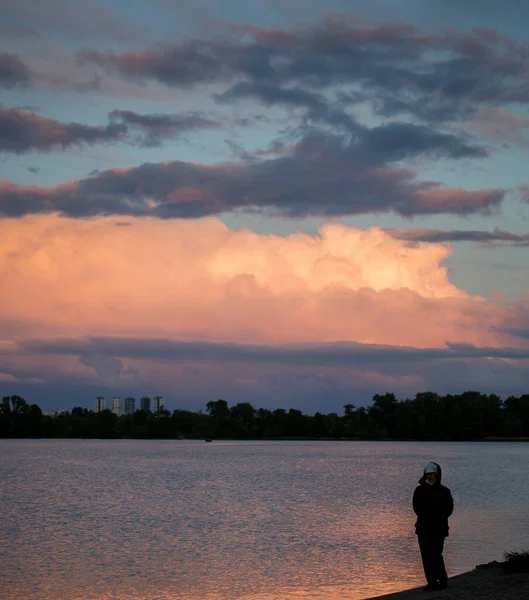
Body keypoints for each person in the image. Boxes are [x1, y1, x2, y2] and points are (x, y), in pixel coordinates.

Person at [412, 462, 454, 591]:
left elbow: (449, 509)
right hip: (423, 528)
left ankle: (442, 580)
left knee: (436, 554)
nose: (429, 476)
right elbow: (416, 507)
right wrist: (425, 517)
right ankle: (431, 583)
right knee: (426, 556)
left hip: (439, 528)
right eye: (427, 474)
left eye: (431, 474)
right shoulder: (419, 490)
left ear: (436, 474)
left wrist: (438, 518)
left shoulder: (444, 491)